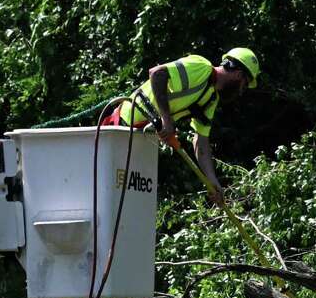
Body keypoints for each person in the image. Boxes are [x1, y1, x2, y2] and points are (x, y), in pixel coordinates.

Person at [105, 47, 260, 204]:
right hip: (123, 125)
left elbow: (201, 141)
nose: (241, 91)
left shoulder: (211, 99)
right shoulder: (201, 67)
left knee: (127, 202)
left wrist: (212, 181)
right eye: (244, 85)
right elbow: (157, 74)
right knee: (112, 195)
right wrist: (167, 119)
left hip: (140, 139)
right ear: (239, 75)